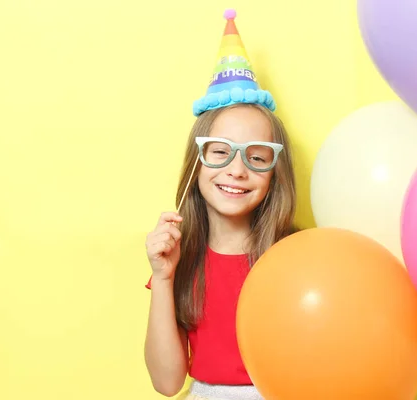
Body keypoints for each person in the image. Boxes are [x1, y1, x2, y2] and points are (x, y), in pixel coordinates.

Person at [143, 9, 297, 400]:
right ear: (197, 164)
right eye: (221, 152)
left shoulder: (295, 255)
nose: (237, 170)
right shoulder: (181, 258)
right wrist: (163, 278)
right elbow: (166, 383)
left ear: (276, 172)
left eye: (257, 157)